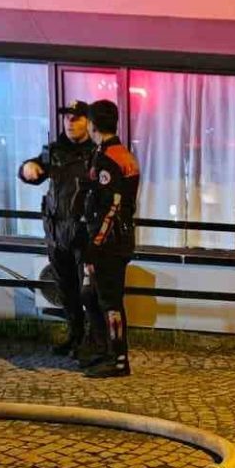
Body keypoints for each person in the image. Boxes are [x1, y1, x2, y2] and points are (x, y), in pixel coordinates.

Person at [18, 101, 97, 358]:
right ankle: (75, 336)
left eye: (76, 118)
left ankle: (93, 341)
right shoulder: (54, 151)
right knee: (65, 290)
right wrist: (27, 168)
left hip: (83, 233)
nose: (70, 123)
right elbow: (34, 170)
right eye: (67, 118)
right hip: (57, 232)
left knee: (89, 291)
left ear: (87, 122)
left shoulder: (95, 153)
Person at [80, 99, 139, 379]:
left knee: (110, 300)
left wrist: (95, 245)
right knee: (91, 295)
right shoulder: (118, 153)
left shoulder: (108, 158)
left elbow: (111, 206)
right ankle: (105, 350)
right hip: (116, 238)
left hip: (110, 242)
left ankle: (118, 359)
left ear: (92, 125)